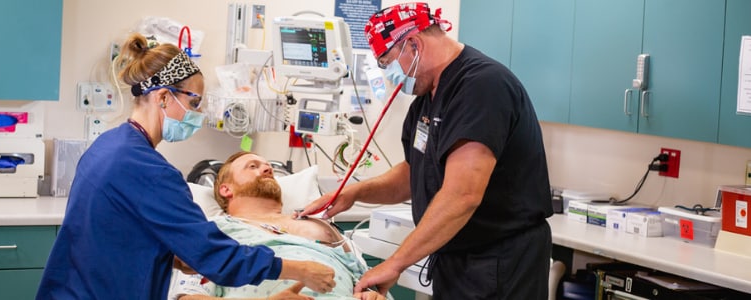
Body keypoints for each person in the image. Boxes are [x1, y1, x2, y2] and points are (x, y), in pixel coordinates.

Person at [36, 34, 335, 299]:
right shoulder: (150, 171)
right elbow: (217, 256)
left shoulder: (107, 145)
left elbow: (118, 232)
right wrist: (300, 270)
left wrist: (171, 255)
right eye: (194, 104)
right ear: (164, 97)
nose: (199, 114)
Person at [298, 2, 554, 299]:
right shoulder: (428, 96)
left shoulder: (482, 86)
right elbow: (414, 173)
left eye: (387, 62)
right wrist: (353, 194)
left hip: (499, 262)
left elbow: (463, 195)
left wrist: (395, 264)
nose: (389, 74)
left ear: (414, 44)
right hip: (457, 258)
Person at [170, 151, 384, 300]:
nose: (266, 169)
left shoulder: (320, 225)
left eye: (268, 167)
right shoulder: (215, 231)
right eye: (252, 166)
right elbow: (188, 297)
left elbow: (366, 282)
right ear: (226, 189)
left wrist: (373, 294)